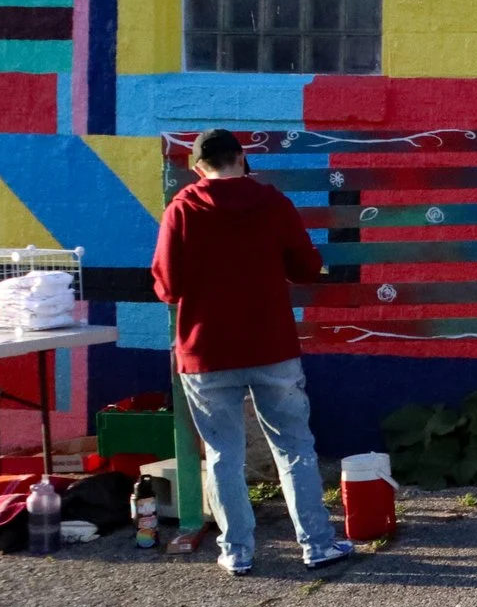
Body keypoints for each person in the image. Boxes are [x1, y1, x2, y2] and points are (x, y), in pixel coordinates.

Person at [150, 129, 357, 577]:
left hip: (205, 351)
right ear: (241, 158)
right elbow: (305, 268)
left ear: (197, 165)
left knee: (225, 454)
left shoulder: (182, 209)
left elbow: (168, 287)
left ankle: (237, 550)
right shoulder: (273, 203)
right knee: (295, 448)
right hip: (271, 345)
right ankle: (317, 546)